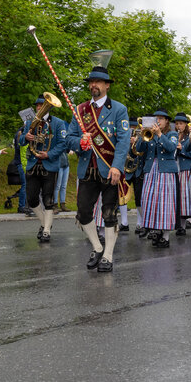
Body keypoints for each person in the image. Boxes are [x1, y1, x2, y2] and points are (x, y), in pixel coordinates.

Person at [66, 64, 131, 273]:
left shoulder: (119, 109)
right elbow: (69, 138)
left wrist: (117, 167)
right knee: (83, 212)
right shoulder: (80, 110)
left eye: (98, 82)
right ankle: (97, 246)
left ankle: (108, 256)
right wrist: (80, 143)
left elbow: (123, 141)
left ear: (107, 85)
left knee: (109, 214)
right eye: (91, 82)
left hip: (109, 169)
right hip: (87, 169)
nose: (93, 85)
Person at [20, 95, 67, 242]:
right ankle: (44, 223)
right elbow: (21, 141)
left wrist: (49, 154)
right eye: (38, 106)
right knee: (32, 198)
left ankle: (46, 230)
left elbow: (63, 144)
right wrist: (25, 137)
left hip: (49, 164)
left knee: (48, 199)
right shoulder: (30, 123)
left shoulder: (58, 123)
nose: (39, 108)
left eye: (42, 105)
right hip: (33, 164)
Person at [137, 109, 179, 247]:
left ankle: (166, 237)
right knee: (150, 201)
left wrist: (160, 134)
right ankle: (157, 230)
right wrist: (142, 135)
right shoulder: (150, 134)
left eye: (161, 118)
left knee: (165, 204)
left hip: (166, 171)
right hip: (151, 170)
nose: (158, 121)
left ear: (167, 121)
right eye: (157, 118)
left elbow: (171, 148)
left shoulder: (172, 134)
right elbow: (139, 148)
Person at [173, 112, 191, 236]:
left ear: (186, 124)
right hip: (176, 168)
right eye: (177, 124)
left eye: (181, 123)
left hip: (185, 168)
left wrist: (183, 150)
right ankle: (180, 225)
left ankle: (185, 223)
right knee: (178, 197)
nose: (178, 126)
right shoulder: (174, 136)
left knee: (185, 197)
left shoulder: (189, 137)